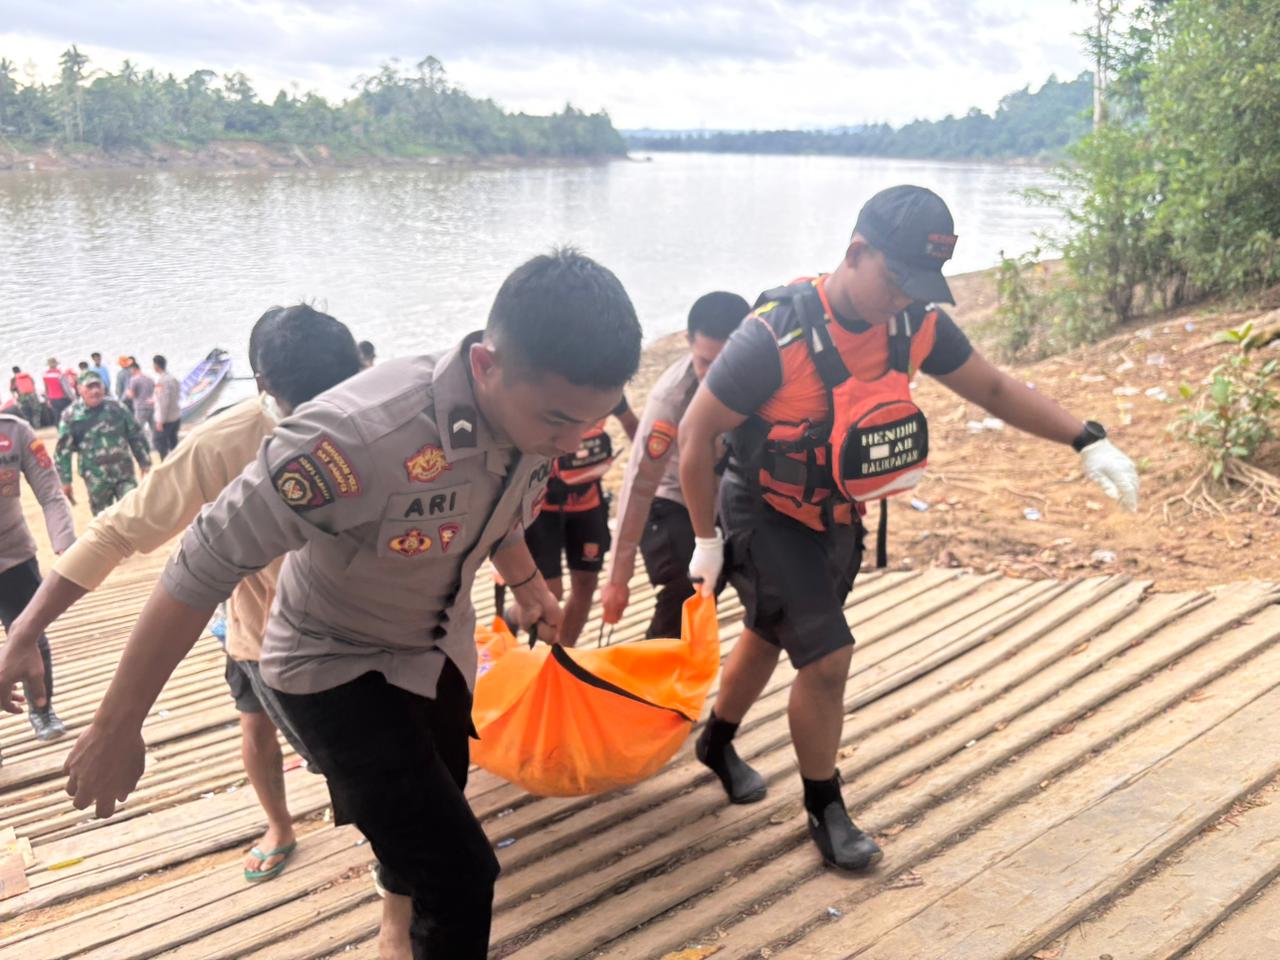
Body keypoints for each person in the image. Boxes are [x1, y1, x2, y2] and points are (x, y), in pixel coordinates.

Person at [50, 247, 643, 959]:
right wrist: (118, 726)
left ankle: (397, 938)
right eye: (559, 422)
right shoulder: (356, 437)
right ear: (487, 366)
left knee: (428, 820)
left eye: (592, 423)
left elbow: (498, 507)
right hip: (333, 666)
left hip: (440, 650)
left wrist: (527, 585)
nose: (574, 442)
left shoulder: (541, 416)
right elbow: (200, 563)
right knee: (461, 875)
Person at [678, 185, 1140, 873]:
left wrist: (1086, 439)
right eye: (896, 282)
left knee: (771, 633)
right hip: (765, 513)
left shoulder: (914, 323)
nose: (904, 299)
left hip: (837, 515)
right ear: (856, 251)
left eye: (918, 287)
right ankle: (825, 806)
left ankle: (716, 739)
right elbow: (695, 434)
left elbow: (991, 388)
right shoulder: (773, 335)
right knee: (826, 657)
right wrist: (707, 541)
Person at [0, 306, 361, 886]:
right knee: (256, 727)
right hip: (258, 634)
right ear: (266, 391)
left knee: (361, 769)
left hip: (362, 638)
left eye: (340, 403)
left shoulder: (392, 420)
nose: (325, 429)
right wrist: (23, 631)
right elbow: (117, 531)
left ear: (362, 373)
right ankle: (279, 825)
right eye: (306, 412)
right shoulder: (225, 444)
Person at [602, 291, 749, 639]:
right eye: (705, 362)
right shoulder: (671, 399)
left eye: (728, 361)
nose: (716, 376)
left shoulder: (765, 377)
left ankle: (684, 670)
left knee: (721, 578)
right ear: (688, 341)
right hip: (670, 496)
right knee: (688, 580)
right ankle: (649, 675)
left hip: (725, 493)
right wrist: (617, 580)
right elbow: (639, 484)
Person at [521, 396, 638, 646]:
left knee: (586, 585)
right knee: (550, 593)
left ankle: (564, 655)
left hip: (589, 503)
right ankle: (516, 619)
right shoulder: (547, 386)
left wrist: (649, 468)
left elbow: (634, 426)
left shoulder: (609, 390)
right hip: (542, 508)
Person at [0, 411, 75, 753]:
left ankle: (42, 710)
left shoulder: (15, 432)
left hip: (13, 557)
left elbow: (50, 494)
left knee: (30, 633)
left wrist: (66, 544)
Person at [55, 372, 151, 515]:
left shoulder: (117, 408)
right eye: (90, 387)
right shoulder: (71, 416)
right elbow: (63, 451)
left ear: (104, 388)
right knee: (103, 520)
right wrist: (65, 481)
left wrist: (144, 462)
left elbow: (135, 434)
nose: (95, 391)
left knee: (132, 513)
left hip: (124, 473)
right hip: (96, 478)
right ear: (80, 389)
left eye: (98, 386)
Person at [152, 355, 182, 461]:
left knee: (159, 442)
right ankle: (176, 460)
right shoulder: (173, 378)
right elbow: (177, 395)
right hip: (176, 416)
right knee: (173, 441)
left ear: (156, 366)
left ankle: (165, 462)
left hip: (167, 419)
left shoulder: (161, 381)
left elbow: (163, 402)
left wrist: (160, 421)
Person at [125, 362, 156, 434]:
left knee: (137, 430)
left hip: (141, 408)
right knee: (154, 431)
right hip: (151, 407)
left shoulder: (134, 379)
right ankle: (155, 444)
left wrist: (127, 392)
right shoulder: (150, 378)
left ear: (133, 369)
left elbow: (132, 395)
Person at [42, 358, 73, 422]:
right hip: (63, 398)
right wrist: (72, 398)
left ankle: (60, 430)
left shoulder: (45, 375)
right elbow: (66, 388)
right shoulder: (60, 374)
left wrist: (47, 400)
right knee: (68, 416)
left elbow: (46, 389)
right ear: (56, 364)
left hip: (53, 399)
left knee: (57, 417)